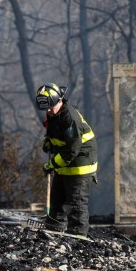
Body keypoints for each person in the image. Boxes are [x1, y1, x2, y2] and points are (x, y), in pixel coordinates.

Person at [35, 83, 98, 237]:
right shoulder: (54, 115)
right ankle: (52, 232)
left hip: (80, 166)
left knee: (77, 204)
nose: (48, 111)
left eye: (51, 107)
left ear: (60, 101)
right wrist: (48, 142)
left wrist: (53, 164)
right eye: (46, 108)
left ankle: (78, 237)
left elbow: (72, 149)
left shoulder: (69, 117)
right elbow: (56, 135)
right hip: (64, 164)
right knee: (57, 201)